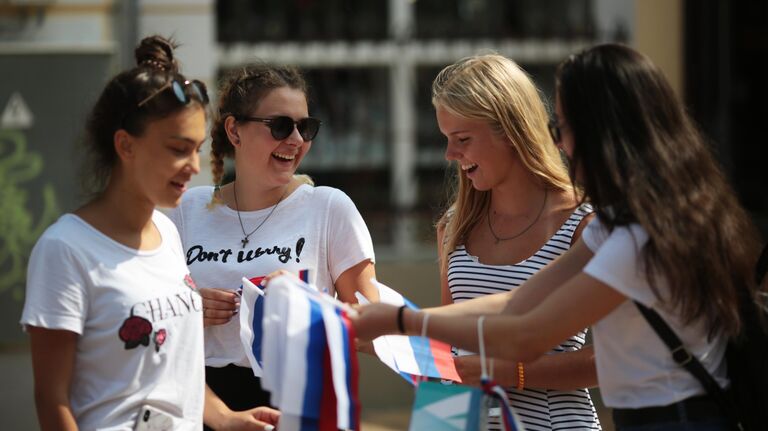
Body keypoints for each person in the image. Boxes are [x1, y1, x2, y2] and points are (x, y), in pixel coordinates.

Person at [351, 43, 762, 430]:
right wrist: (398, 328)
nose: (559, 142)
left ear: (603, 134)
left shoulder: (637, 237)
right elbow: (514, 305)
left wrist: (403, 321)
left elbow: (528, 335)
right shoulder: (621, 225)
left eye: (563, 127)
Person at [20, 35, 279, 431]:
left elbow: (174, 371)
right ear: (125, 145)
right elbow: (52, 400)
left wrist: (227, 418)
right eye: (178, 148)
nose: (194, 166)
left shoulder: (167, 232)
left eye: (197, 149)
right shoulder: (65, 250)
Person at [166, 63, 378, 419]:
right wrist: (187, 310)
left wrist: (306, 309)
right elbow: (151, 318)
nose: (295, 140)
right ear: (234, 130)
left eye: (306, 127)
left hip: (298, 399)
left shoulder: (328, 207)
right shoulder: (187, 209)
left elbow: (374, 328)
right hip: (202, 402)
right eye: (280, 126)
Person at [432, 54, 600, 430]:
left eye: (462, 139)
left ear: (509, 130)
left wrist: (511, 372)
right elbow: (449, 354)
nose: (450, 155)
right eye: (447, 140)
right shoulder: (453, 226)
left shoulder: (585, 224)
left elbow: (605, 360)